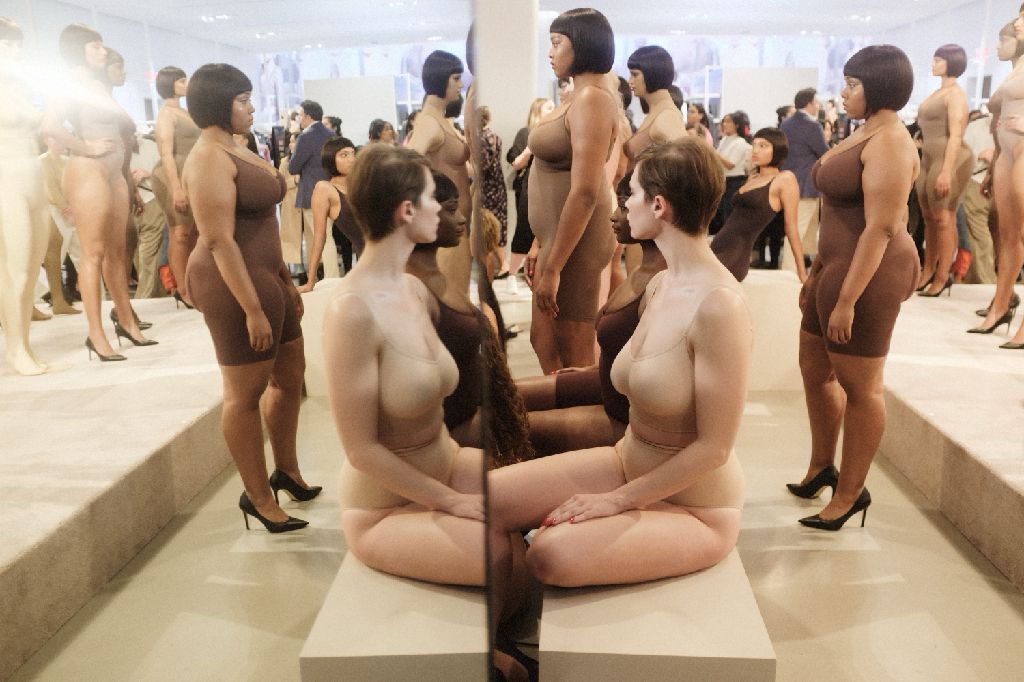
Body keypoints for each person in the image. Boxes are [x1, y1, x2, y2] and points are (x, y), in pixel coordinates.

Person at [490, 138, 748, 587]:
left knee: (552, 554)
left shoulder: (719, 305)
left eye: (632, 194)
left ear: (659, 206)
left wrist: (618, 501)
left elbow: (715, 449)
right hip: (626, 461)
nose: (623, 204)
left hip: (696, 505)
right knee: (489, 501)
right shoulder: (661, 284)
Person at [322, 143, 485, 585]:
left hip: (446, 468)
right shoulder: (352, 311)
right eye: (433, 197)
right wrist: (450, 502)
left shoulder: (413, 290)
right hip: (382, 508)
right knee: (502, 553)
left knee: (540, 509)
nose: (443, 209)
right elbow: (361, 450)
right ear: (407, 211)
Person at [182, 63, 319, 533]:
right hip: (232, 285)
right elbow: (218, 240)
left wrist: (283, 278)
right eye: (242, 100)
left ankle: (287, 471)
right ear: (218, 104)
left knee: (290, 374)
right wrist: (253, 309)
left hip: (265, 276)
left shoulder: (237, 146)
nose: (252, 107)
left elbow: (264, 223)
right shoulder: (207, 157)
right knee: (244, 395)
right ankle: (258, 498)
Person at [790, 45, 919, 530]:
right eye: (845, 82)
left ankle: (850, 494)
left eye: (853, 84)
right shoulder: (864, 131)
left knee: (861, 388)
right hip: (836, 267)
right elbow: (837, 212)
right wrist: (817, 271)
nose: (843, 93)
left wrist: (847, 299)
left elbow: (881, 228)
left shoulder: (892, 141)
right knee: (814, 369)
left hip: (869, 274)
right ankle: (822, 466)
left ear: (879, 86)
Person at [42, 24, 155, 362]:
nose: (102, 51)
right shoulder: (69, 85)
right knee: (93, 253)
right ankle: (96, 333)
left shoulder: (96, 86)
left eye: (102, 45)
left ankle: (127, 322)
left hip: (114, 173)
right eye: (95, 46)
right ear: (78, 50)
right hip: (88, 170)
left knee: (117, 254)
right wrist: (86, 147)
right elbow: (50, 125)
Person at [517, 207, 666, 456]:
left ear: (659, 206)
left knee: (498, 425)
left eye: (626, 205)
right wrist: (593, 369)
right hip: (607, 384)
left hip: (624, 415)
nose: (614, 215)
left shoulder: (668, 282)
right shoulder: (646, 269)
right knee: (499, 397)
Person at [528, 8, 618, 372]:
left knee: (573, 351)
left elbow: (585, 192)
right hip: (558, 239)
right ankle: (565, 409)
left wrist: (553, 267)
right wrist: (541, 244)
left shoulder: (592, 99)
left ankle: (587, 410)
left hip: (577, 242)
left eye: (557, 43)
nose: (550, 53)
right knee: (544, 342)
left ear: (581, 44)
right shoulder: (579, 97)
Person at [0, 17, 51, 374]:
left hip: (34, 176)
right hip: (7, 179)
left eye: (18, 44)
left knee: (32, 269)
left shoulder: (22, 85)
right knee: (14, 270)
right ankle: (15, 349)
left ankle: (26, 346)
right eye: (7, 43)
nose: (15, 51)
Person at [971, 11, 1024, 345]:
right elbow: (994, 104)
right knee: (1008, 235)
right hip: (1006, 152)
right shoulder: (1018, 65)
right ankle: (1001, 305)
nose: (1018, 22)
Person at [407, 51, 473, 296]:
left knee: (456, 296)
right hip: (444, 229)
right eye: (455, 78)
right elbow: (407, 165)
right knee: (450, 299)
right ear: (440, 78)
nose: (460, 84)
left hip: (456, 225)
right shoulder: (429, 123)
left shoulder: (440, 120)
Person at [712, 128, 807, 281]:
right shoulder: (753, 178)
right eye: (754, 145)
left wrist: (802, 273)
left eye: (763, 146)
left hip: (734, 256)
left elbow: (792, 228)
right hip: (717, 247)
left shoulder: (785, 179)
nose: (755, 150)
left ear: (778, 149)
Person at [915, 44, 973, 297]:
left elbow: (956, 135)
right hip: (929, 157)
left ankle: (942, 275)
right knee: (929, 217)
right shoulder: (939, 92)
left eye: (938, 60)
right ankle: (928, 270)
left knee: (944, 217)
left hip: (949, 159)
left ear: (951, 62)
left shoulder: (955, 94)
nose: (933, 64)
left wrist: (947, 170)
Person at [151, 66, 201, 307]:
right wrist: (176, 187)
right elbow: (166, 153)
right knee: (180, 233)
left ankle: (190, 284)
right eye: (181, 80)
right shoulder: (166, 115)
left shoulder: (184, 112)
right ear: (170, 84)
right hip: (172, 176)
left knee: (192, 233)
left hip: (190, 175)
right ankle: (182, 288)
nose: (186, 84)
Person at [298, 136, 357, 291]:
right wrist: (311, 280)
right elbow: (320, 236)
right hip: (373, 259)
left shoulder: (360, 185)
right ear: (331, 160)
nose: (351, 159)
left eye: (353, 153)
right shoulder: (324, 188)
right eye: (344, 155)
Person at [288, 99, 339, 281]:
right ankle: (319, 277)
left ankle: (330, 277)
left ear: (308, 116)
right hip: (331, 190)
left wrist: (293, 151)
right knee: (324, 236)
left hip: (312, 193)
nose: (299, 119)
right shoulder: (331, 134)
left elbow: (293, 167)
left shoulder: (305, 137)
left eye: (300, 115)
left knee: (321, 237)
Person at [780, 87, 830, 271]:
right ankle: (789, 269)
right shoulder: (812, 126)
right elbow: (824, 152)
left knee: (803, 229)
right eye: (816, 102)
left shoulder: (785, 124)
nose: (818, 106)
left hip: (788, 181)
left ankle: (803, 266)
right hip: (806, 185)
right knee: (798, 229)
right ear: (809, 103)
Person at [506, 98, 554, 283]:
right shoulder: (526, 133)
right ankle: (511, 275)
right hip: (529, 187)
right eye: (549, 108)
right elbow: (517, 163)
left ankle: (536, 272)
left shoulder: (554, 133)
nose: (553, 110)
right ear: (537, 111)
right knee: (524, 228)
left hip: (549, 187)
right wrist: (530, 148)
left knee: (544, 230)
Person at [624, 46, 687, 166]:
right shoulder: (658, 111)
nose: (630, 81)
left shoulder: (666, 116)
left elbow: (687, 162)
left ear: (652, 73)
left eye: (635, 75)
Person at [711, 111, 752, 234]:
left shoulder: (740, 142)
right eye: (724, 121)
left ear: (737, 125)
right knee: (721, 214)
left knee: (729, 214)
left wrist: (712, 151)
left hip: (735, 182)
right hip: (724, 180)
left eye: (728, 122)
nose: (724, 124)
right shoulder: (724, 140)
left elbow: (730, 164)